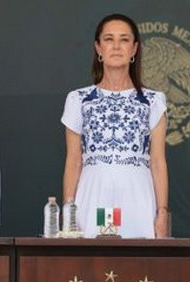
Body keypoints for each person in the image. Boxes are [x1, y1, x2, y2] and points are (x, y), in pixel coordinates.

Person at [61, 13, 169, 238]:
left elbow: (158, 162)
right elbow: (73, 161)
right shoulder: (78, 99)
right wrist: (69, 213)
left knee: (139, 266)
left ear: (134, 49)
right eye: (109, 39)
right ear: (98, 48)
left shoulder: (153, 100)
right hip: (92, 192)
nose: (116, 46)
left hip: (138, 195)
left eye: (124, 40)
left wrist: (162, 213)